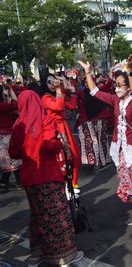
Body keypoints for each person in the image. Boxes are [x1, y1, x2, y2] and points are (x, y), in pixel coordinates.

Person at [78, 57, 132, 225]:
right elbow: (94, 91)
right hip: (121, 149)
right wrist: (87, 72)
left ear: (128, 87)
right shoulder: (115, 100)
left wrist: (130, 71)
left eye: (119, 85)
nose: (116, 88)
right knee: (126, 182)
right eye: (115, 85)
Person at [9, 90, 83, 266]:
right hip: (48, 174)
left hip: (29, 176)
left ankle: (37, 253)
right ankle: (64, 255)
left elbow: (13, 152)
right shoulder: (45, 120)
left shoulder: (18, 125)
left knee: (38, 216)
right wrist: (62, 144)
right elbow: (48, 146)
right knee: (57, 216)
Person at [41, 74, 81, 192]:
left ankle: (73, 184)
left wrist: (72, 91)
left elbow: (72, 106)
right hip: (54, 129)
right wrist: (59, 90)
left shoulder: (58, 95)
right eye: (50, 82)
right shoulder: (45, 98)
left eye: (55, 81)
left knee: (74, 155)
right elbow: (58, 107)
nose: (53, 84)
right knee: (61, 158)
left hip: (64, 128)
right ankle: (62, 186)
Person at [75, 77, 111, 170]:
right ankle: (94, 161)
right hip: (88, 121)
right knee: (92, 141)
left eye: (89, 81)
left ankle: (103, 161)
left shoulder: (98, 90)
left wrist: (107, 77)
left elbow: (109, 84)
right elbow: (71, 92)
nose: (88, 84)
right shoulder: (82, 93)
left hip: (100, 119)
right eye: (85, 82)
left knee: (101, 140)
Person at [0, 82, 21, 190]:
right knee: (13, 158)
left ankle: (4, 182)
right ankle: (19, 181)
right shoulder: (3, 106)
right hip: (6, 135)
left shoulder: (3, 105)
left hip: (2, 136)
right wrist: (10, 91)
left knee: (6, 160)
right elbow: (15, 104)